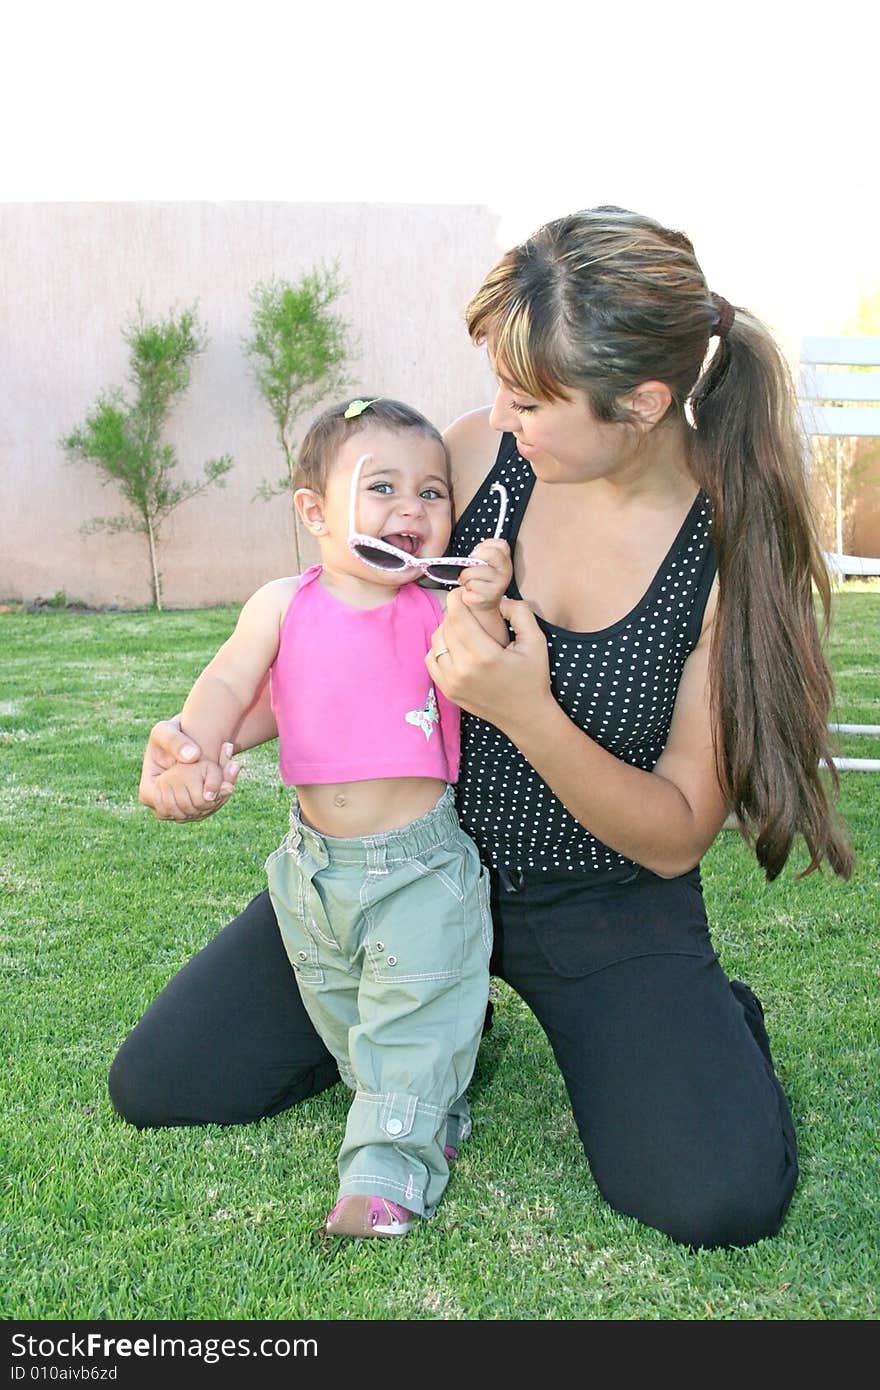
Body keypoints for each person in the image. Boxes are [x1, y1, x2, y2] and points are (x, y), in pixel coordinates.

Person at [112, 206, 853, 1251]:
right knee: (164, 1082)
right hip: (399, 872)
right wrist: (214, 737)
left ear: (641, 402)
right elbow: (350, 639)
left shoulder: (726, 543)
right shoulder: (475, 457)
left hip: (597, 898)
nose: (503, 418)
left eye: (533, 400)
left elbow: (679, 827)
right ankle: (444, 1008)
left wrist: (523, 706)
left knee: (714, 1198)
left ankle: (705, 1025)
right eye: (501, 386)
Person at [144, 395, 512, 1239]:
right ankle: (427, 1109)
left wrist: (485, 597)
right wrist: (191, 746)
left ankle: (384, 1176)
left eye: (431, 493)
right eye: (382, 488)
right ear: (314, 510)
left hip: (419, 867)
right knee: (349, 1022)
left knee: (410, 1016)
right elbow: (232, 685)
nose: (411, 510)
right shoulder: (283, 603)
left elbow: (487, 657)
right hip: (312, 871)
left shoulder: (436, 606)